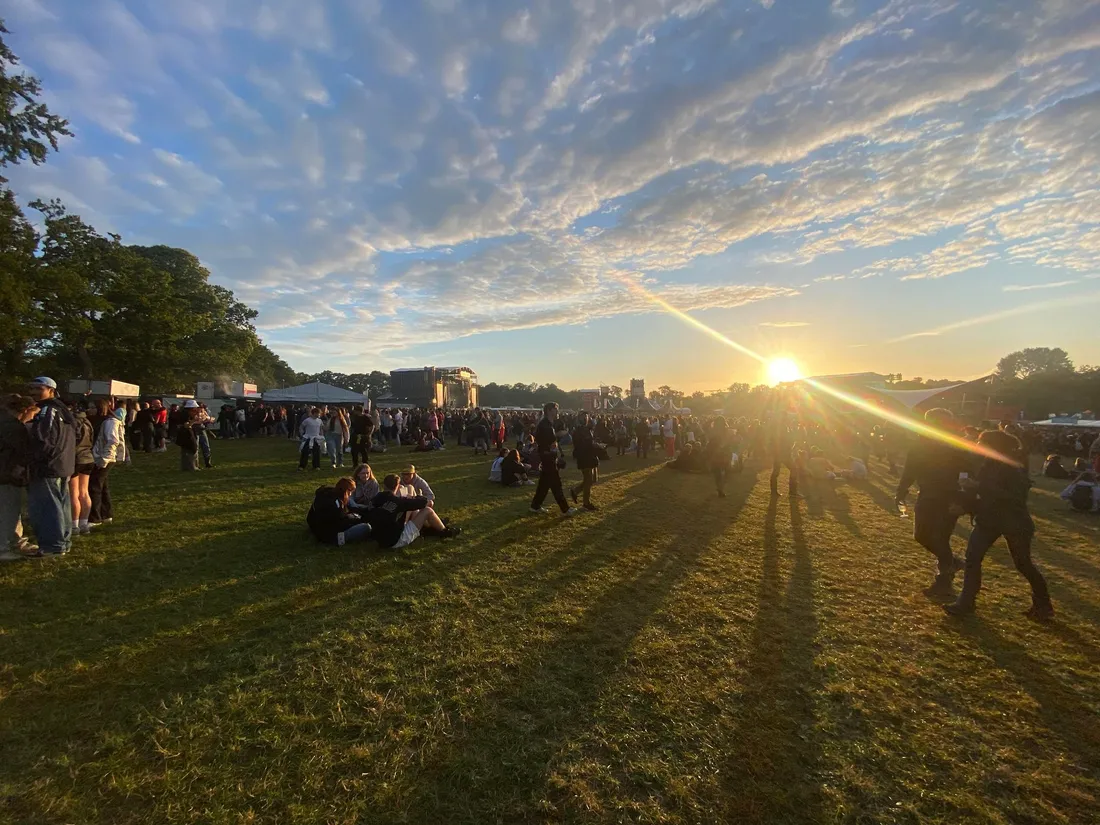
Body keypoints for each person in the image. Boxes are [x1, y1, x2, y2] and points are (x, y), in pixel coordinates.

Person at [944, 430, 1054, 621]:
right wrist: (965, 504)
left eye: (982, 442)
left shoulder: (1013, 467)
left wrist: (978, 487)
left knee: (1023, 564)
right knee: (972, 558)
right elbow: (985, 496)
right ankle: (966, 602)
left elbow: (1015, 497)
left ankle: (1043, 605)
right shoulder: (988, 463)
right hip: (988, 521)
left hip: (1014, 522)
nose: (978, 445)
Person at [895, 408, 970, 598]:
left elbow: (969, 473)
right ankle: (951, 563)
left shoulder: (957, 445)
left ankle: (944, 580)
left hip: (950, 496)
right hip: (928, 494)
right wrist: (901, 490)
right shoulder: (920, 443)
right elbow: (910, 470)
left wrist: (963, 499)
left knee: (941, 537)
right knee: (921, 535)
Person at [23, 377, 76, 558]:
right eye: (32, 388)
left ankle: (52, 545)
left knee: (46, 507)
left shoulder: (48, 410)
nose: (34, 392)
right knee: (60, 506)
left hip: (48, 466)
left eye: (39, 388)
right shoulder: (63, 410)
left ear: (51, 390)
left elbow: (44, 440)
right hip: (62, 465)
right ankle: (62, 543)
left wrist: (34, 460)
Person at [368, 473, 459, 549]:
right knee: (427, 511)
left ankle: (432, 527)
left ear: (384, 485)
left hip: (380, 539)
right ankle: (444, 532)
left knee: (414, 511)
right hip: (395, 540)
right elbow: (427, 502)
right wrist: (413, 497)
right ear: (398, 486)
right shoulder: (399, 501)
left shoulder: (376, 498)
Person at [0, 394, 39, 560]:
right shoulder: (14, 427)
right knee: (9, 510)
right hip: (7, 474)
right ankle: (4, 546)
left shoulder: (5, 422)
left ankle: (16, 540)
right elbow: (24, 452)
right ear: (25, 410)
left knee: (11, 509)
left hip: (6, 472)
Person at [530, 403, 579, 516]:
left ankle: (535, 506)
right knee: (556, 484)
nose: (557, 411)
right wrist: (558, 435)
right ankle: (565, 509)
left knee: (544, 484)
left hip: (548, 457)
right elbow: (545, 440)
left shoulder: (547, 424)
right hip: (548, 458)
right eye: (555, 409)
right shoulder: (545, 425)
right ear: (549, 410)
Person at [307, 477, 373, 546]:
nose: (350, 494)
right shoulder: (335, 504)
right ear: (346, 491)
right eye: (350, 491)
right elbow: (338, 525)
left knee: (351, 503)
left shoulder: (325, 494)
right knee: (366, 527)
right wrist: (353, 519)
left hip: (315, 528)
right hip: (331, 536)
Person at [90, 404, 127, 527]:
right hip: (106, 457)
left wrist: (104, 459)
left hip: (105, 457)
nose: (90, 409)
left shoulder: (110, 422)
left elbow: (113, 441)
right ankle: (106, 514)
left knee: (95, 486)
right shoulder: (110, 421)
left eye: (92, 407)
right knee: (103, 486)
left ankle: (95, 518)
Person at [68, 402, 95, 536]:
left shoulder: (72, 423)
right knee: (84, 492)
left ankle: (74, 525)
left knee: (74, 493)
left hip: (75, 458)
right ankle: (84, 524)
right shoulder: (88, 422)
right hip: (88, 457)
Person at [569, 412, 600, 511]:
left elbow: (589, 442)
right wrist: (594, 445)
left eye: (586, 417)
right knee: (588, 480)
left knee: (593, 479)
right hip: (585, 457)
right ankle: (586, 503)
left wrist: (595, 444)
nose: (586, 418)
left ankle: (575, 491)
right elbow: (582, 445)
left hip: (591, 456)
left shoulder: (586, 429)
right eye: (584, 417)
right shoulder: (579, 431)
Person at [709, 416, 737, 497]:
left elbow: (710, 443)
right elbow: (731, 442)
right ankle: (721, 488)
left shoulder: (713, 431)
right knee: (726, 471)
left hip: (716, 454)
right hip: (725, 453)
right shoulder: (727, 431)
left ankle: (719, 488)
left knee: (717, 473)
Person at [175, 401, 201, 471]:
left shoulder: (184, 413)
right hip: (186, 433)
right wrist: (194, 421)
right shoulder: (185, 415)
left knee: (187, 449)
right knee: (191, 448)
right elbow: (186, 425)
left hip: (184, 433)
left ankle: (188, 466)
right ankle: (191, 466)